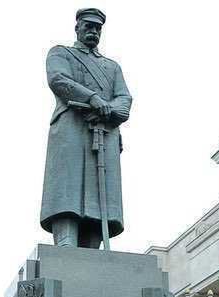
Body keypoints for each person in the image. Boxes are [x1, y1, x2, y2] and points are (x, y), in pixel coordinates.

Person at [40, 8, 132, 247]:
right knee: (68, 191)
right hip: (71, 130)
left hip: (105, 133)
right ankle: (65, 245)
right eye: (88, 26)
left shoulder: (112, 67)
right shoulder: (61, 53)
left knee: (100, 202)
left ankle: (92, 250)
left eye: (97, 28)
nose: (93, 31)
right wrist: (93, 98)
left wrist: (110, 110)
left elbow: (124, 98)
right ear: (77, 27)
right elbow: (58, 79)